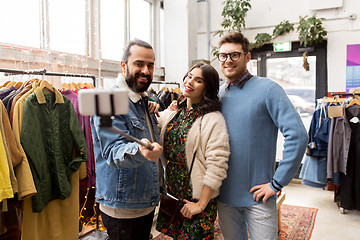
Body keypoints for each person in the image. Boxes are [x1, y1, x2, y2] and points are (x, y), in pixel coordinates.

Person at [216, 32, 308, 240]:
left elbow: (298, 135)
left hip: (259, 197)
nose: (228, 60)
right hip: (224, 197)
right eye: (223, 55)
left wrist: (277, 182)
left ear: (248, 57)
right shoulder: (217, 95)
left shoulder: (269, 90)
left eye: (234, 55)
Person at [90, 39, 163, 240]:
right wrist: (140, 151)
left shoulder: (144, 100)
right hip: (123, 205)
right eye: (138, 64)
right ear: (124, 65)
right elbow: (113, 151)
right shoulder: (107, 100)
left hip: (143, 202)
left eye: (150, 65)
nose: (146, 71)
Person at [155, 62, 230, 239]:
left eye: (198, 80)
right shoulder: (175, 113)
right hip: (173, 194)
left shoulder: (213, 119)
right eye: (189, 76)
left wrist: (201, 204)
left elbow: (217, 165)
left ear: (207, 88)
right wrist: (153, 108)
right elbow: (154, 125)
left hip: (196, 197)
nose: (189, 82)